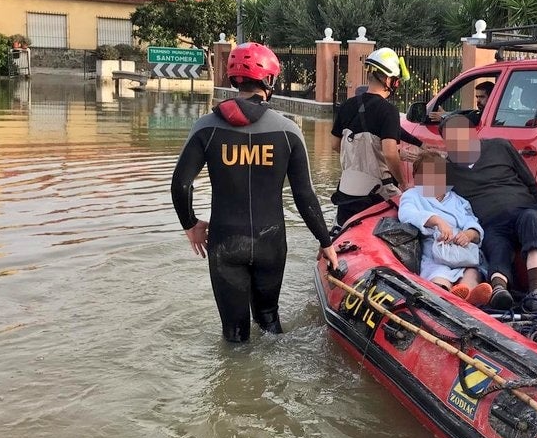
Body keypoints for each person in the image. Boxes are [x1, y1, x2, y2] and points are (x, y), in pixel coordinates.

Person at [171, 42, 339, 342]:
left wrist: (191, 225)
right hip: (270, 244)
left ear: (234, 79)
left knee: (235, 336)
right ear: (269, 81)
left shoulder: (205, 128)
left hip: (226, 244)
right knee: (270, 323)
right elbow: (305, 196)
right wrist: (325, 241)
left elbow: (181, 185)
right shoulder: (289, 132)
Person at [442, 113, 537, 312]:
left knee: (532, 220)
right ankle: (499, 289)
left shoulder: (500, 146)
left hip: (523, 210)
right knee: (496, 245)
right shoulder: (448, 169)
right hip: (490, 223)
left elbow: (531, 183)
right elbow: (433, 195)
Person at [331, 47, 414, 225]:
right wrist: (403, 183)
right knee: (411, 218)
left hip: (346, 191)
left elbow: (334, 144)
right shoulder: (388, 111)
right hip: (377, 193)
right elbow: (390, 153)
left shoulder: (347, 105)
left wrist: (358, 159)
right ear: (389, 80)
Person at [399, 149, 493, 305]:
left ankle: (468, 296)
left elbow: (472, 222)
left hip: (462, 252)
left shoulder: (457, 200)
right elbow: (407, 213)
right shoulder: (412, 195)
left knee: (472, 271)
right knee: (439, 275)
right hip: (435, 253)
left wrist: (469, 234)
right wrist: (437, 221)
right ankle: (443, 295)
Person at [429, 79, 494, 126]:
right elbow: (464, 115)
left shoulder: (486, 115)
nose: (478, 100)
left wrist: (442, 119)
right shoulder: (486, 113)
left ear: (491, 97)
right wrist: (445, 114)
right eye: (477, 97)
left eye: (482, 97)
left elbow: (463, 122)